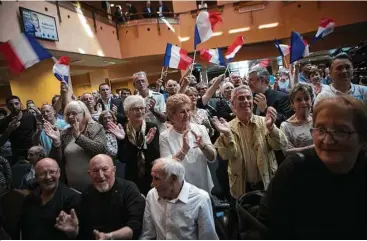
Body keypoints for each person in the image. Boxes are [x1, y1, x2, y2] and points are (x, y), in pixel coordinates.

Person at [258, 95, 367, 239]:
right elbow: (266, 227)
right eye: (321, 129)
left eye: (341, 131)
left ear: (362, 139)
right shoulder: (294, 171)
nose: (327, 140)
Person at [214, 85, 287, 199]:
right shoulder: (227, 127)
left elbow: (280, 145)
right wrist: (227, 135)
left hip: (267, 185)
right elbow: (226, 155)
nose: (246, 101)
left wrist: (271, 127)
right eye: (241, 98)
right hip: (242, 188)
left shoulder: (265, 121)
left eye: (249, 97)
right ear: (232, 104)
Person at [54, 154, 145, 240]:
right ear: (89, 174)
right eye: (95, 171)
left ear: (114, 170)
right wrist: (73, 231)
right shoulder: (87, 194)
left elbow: (135, 227)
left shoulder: (128, 189)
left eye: (105, 169)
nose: (100, 175)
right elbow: (82, 230)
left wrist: (109, 237)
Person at [141, 158, 219, 240]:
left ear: (173, 179)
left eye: (157, 179)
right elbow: (148, 235)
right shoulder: (152, 195)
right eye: (152, 178)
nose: (152, 184)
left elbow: (207, 238)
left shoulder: (200, 199)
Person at [45, 101, 107, 192]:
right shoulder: (65, 133)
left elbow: (100, 150)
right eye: (67, 114)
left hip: (95, 182)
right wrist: (56, 142)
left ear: (84, 114)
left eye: (74, 113)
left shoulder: (96, 128)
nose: (70, 117)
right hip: (72, 185)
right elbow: (56, 161)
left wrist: (78, 137)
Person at [160, 94, 216, 193]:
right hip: (181, 188)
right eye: (182, 112)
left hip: (203, 185)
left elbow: (212, 157)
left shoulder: (200, 129)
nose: (187, 115)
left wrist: (203, 146)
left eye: (188, 110)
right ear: (172, 116)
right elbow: (167, 168)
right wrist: (183, 150)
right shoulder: (165, 136)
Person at [19, 158, 81, 240]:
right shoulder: (29, 199)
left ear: (59, 173)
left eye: (52, 172)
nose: (48, 177)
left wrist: (73, 232)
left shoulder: (73, 198)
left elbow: (79, 234)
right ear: (36, 177)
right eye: (42, 174)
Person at [118, 95, 159, 195]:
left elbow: (156, 155)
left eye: (142, 108)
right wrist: (123, 140)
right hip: (132, 176)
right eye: (135, 109)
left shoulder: (151, 127)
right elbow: (123, 158)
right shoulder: (122, 130)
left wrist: (146, 144)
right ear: (127, 112)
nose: (140, 111)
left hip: (151, 174)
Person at [0, 96, 37, 163]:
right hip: (17, 154)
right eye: (11, 104)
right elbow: (1, 142)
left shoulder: (30, 117)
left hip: (33, 150)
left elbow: (36, 132)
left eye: (16, 103)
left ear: (20, 104)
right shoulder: (4, 121)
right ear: (7, 106)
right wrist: (9, 130)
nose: (14, 106)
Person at [280, 84, 314, 157]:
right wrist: (314, 148)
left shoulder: (318, 118)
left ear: (311, 100)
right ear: (292, 104)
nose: (303, 102)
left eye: (306, 98)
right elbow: (287, 152)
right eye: (298, 100)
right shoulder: (286, 126)